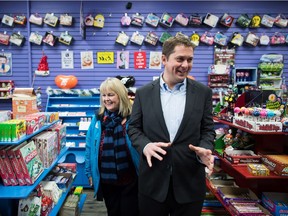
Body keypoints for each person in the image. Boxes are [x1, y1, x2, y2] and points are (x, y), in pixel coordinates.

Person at [128, 35, 215, 216]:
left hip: (189, 183)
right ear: (164, 59)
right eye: (180, 59)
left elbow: (207, 130)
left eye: (189, 60)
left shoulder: (203, 93)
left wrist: (205, 149)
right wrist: (145, 145)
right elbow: (133, 127)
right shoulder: (144, 93)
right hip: (153, 183)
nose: (185, 65)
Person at [85, 77, 139, 216]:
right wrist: (89, 172)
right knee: (113, 212)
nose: (106, 99)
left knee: (130, 212)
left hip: (130, 179)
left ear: (120, 96)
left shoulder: (133, 117)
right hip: (107, 179)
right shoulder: (97, 119)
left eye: (110, 95)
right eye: (104, 95)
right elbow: (90, 147)